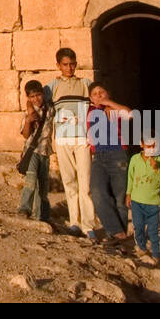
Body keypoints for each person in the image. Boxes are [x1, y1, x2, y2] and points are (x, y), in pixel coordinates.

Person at [44, 48, 95, 237]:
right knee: (69, 181)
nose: (69, 68)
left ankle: (89, 225)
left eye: (72, 64)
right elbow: (40, 106)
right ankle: (75, 223)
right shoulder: (52, 86)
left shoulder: (85, 84)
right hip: (63, 139)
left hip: (83, 138)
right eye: (65, 64)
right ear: (58, 66)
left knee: (85, 183)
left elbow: (98, 104)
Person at [87, 82, 135, 248]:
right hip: (98, 157)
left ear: (108, 94)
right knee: (97, 192)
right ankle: (117, 232)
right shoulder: (89, 111)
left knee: (120, 199)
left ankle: (116, 239)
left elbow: (130, 115)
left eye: (102, 92)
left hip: (117, 155)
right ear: (90, 98)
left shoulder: (115, 109)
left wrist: (110, 103)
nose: (99, 96)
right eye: (95, 93)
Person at [127, 136, 160, 264]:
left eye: (153, 146)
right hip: (137, 201)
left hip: (153, 202)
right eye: (148, 146)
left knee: (153, 230)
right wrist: (128, 194)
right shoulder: (135, 159)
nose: (151, 149)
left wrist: (157, 169)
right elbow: (130, 177)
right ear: (141, 145)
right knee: (138, 227)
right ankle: (142, 248)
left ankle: (156, 255)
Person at [16, 80, 53, 221]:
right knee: (31, 181)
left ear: (43, 94)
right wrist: (28, 121)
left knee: (43, 185)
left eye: (38, 95)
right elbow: (25, 135)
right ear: (28, 98)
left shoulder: (49, 108)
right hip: (32, 151)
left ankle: (42, 214)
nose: (36, 99)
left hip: (45, 151)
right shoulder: (28, 113)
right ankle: (24, 208)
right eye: (32, 97)